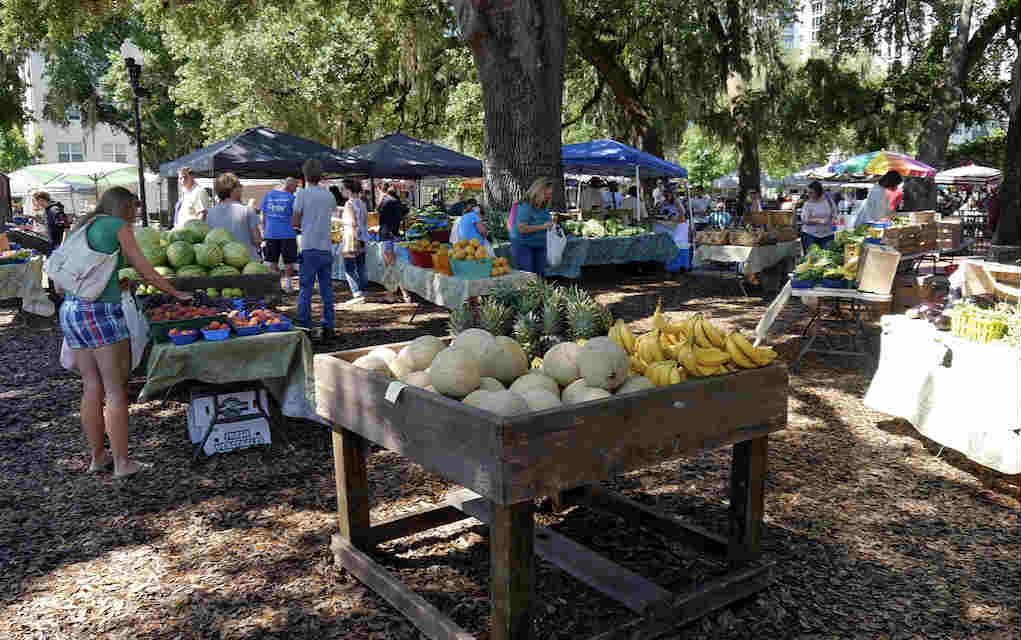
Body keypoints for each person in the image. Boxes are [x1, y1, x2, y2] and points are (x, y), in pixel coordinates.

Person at [60, 187, 189, 478]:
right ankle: (122, 463)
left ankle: (98, 458)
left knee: (91, 387)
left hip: (70, 311)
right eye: (135, 208)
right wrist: (176, 294)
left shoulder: (83, 224)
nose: (137, 214)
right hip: (101, 314)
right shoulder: (118, 226)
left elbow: (63, 282)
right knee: (116, 390)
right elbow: (148, 272)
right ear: (126, 206)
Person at [293, 158, 337, 340]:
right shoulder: (329, 195)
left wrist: (302, 224)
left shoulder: (302, 194)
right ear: (321, 176)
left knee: (306, 290)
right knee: (327, 290)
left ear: (304, 175)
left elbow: (294, 221)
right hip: (326, 247)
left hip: (309, 246)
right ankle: (329, 326)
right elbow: (332, 213)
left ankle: (305, 326)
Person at [206, 173, 262, 262]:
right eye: (240, 186)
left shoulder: (210, 213)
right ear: (233, 190)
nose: (242, 188)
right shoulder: (247, 210)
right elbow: (257, 240)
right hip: (247, 263)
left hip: (222, 264)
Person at [510, 176, 555, 277]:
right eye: (546, 194)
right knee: (527, 277)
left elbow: (545, 222)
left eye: (550, 194)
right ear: (537, 192)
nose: (548, 197)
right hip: (523, 245)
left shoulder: (544, 207)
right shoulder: (525, 206)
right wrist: (542, 227)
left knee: (540, 276)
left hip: (540, 245)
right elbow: (521, 228)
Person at [260, 177, 298, 292]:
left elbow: (263, 214)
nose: (296, 189)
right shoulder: (292, 198)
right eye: (295, 187)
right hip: (288, 234)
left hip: (271, 233)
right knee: (289, 261)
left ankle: (275, 286)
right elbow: (296, 217)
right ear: (290, 186)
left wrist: (263, 230)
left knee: (272, 261)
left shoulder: (269, 195)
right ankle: (288, 285)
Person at [339, 178, 369, 305]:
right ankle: (363, 291)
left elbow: (352, 222)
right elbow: (364, 220)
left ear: (348, 190)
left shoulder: (349, 204)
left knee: (349, 268)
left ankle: (357, 293)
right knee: (361, 266)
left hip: (352, 238)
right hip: (362, 237)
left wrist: (338, 221)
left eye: (343, 189)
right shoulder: (362, 203)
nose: (342, 191)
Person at [800, 180, 836, 251]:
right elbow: (804, 219)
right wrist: (820, 221)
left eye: (811, 192)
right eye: (808, 192)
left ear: (818, 192)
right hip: (810, 235)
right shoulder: (807, 204)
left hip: (828, 235)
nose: (808, 194)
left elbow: (834, 214)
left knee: (827, 257)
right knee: (811, 258)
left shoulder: (829, 201)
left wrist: (832, 220)